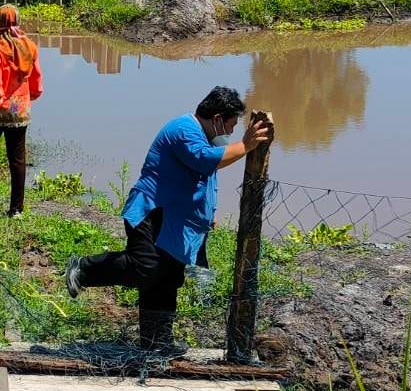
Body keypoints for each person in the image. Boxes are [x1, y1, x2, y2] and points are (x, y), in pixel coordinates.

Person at [65, 87, 273, 356]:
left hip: (176, 221)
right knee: (145, 267)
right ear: (218, 118)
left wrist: (209, 215)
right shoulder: (183, 129)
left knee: (165, 279)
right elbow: (203, 162)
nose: (231, 133)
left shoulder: (205, 137)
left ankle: (156, 344)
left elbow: (204, 181)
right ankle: (83, 268)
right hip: (153, 212)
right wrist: (246, 146)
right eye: (231, 126)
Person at [0, 4, 43, 217]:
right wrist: (28, 97)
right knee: (18, 160)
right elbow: (37, 80)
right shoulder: (30, 46)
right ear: (17, 21)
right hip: (20, 109)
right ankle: (16, 209)